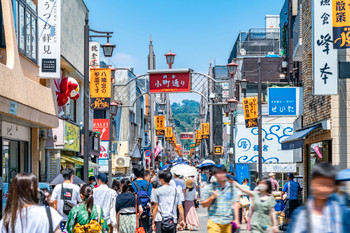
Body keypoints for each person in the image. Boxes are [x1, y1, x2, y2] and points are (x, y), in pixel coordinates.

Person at [288, 162, 349, 233]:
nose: (324, 189)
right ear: (312, 183)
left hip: (290, 200)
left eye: (328, 185)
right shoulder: (301, 214)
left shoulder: (342, 212)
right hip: (295, 200)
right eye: (320, 183)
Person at [201, 165, 240, 233]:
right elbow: (203, 204)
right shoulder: (209, 188)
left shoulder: (231, 187)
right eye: (219, 173)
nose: (221, 175)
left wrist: (237, 219)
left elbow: (235, 203)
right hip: (214, 221)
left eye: (223, 172)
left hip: (228, 222)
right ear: (215, 175)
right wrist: (211, 198)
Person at [131, 165, 153, 233]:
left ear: (134, 173)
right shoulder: (149, 184)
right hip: (146, 211)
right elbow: (151, 198)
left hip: (135, 211)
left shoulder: (132, 184)